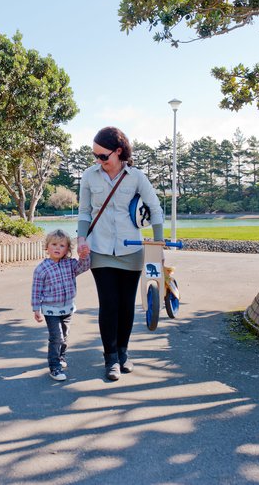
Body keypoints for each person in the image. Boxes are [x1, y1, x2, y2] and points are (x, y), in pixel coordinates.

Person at [76, 126, 165, 381]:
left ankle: (124, 352)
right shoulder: (89, 177)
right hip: (100, 250)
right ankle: (110, 359)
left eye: (103, 156)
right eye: (95, 155)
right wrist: (82, 238)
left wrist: (158, 244)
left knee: (126, 306)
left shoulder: (136, 177)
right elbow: (84, 212)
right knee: (109, 304)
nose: (99, 161)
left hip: (132, 250)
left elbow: (155, 208)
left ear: (118, 152)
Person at [31, 229, 91, 381]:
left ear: (67, 249)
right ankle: (54, 367)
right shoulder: (41, 269)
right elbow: (36, 290)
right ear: (47, 247)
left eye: (62, 245)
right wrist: (36, 308)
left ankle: (61, 357)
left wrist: (84, 257)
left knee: (64, 335)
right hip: (51, 310)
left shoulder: (70, 265)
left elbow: (84, 267)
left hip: (67, 308)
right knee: (56, 337)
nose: (58, 248)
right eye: (54, 244)